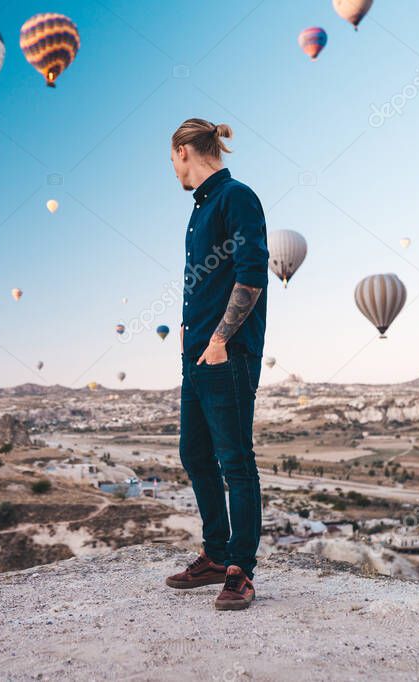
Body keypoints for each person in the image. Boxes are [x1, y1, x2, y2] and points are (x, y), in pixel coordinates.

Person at [164, 118, 269, 611]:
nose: (174, 170)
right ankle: (215, 553)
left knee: (235, 461)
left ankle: (240, 571)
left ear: (185, 149)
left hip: (228, 355)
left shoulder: (236, 197)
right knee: (195, 454)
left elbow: (252, 276)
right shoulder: (200, 210)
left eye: (172, 159)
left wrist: (223, 337)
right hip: (196, 357)